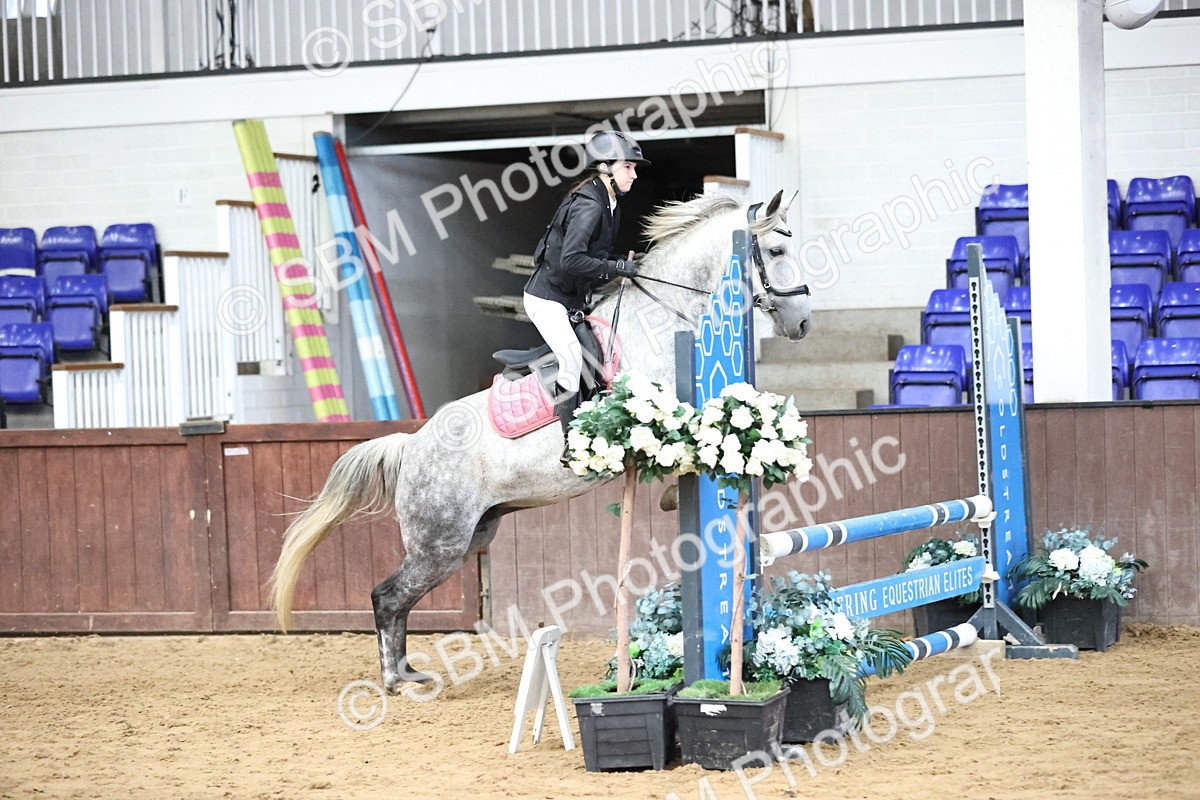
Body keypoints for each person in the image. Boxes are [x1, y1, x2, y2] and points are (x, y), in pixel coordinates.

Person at [523, 130, 648, 462]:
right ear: (606, 167)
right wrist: (617, 267)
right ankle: (571, 442)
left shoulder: (609, 200)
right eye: (628, 168)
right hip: (547, 300)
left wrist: (620, 263)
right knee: (572, 357)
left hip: (570, 299)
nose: (634, 175)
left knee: (597, 354)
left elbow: (595, 254)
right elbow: (572, 259)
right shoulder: (591, 204)